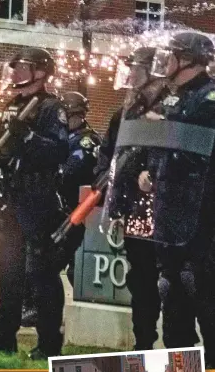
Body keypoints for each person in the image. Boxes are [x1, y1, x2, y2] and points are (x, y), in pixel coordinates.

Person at [98, 46, 198, 351]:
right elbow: (109, 154)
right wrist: (108, 189)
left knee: (173, 281)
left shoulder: (170, 108)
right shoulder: (125, 112)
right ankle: (143, 344)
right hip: (133, 209)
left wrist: (148, 171)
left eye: (136, 69)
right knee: (140, 281)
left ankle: (178, 346)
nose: (130, 76)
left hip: (165, 208)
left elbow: (173, 151)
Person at [0, 47, 69, 359]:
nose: (16, 72)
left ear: (42, 71)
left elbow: (58, 152)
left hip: (38, 200)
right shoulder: (11, 106)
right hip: (10, 200)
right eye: (15, 67)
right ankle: (3, 338)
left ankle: (48, 343)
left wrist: (28, 137)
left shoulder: (51, 108)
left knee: (41, 275)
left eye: (24, 67)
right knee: (8, 271)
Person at [136, 33, 215, 366]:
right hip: (170, 216)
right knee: (172, 298)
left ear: (188, 60)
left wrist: (165, 127)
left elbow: (200, 147)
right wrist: (149, 171)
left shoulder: (209, 97)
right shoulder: (173, 98)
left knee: (204, 298)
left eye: (172, 55)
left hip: (201, 218)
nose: (165, 62)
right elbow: (166, 150)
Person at [21, 91, 101, 327]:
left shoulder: (85, 139)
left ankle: (77, 313)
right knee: (40, 263)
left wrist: (49, 172)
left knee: (65, 268)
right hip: (58, 210)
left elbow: (71, 172)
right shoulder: (62, 138)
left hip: (75, 213)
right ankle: (35, 308)